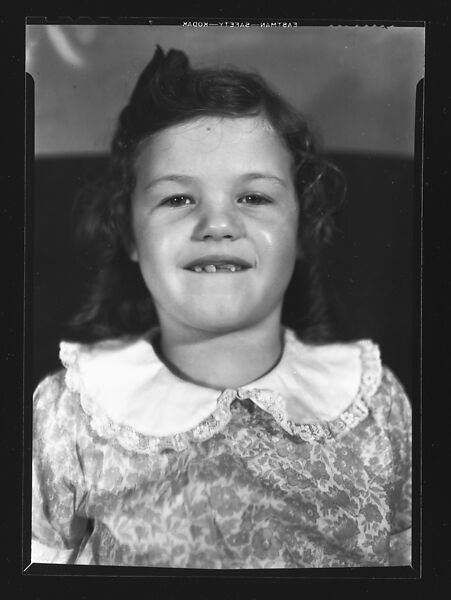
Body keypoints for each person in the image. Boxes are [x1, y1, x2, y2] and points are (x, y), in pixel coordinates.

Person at [31, 45, 412, 568]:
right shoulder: (70, 416)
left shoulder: (375, 406)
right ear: (128, 230)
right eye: (177, 198)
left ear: (302, 226)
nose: (217, 223)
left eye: (254, 198)